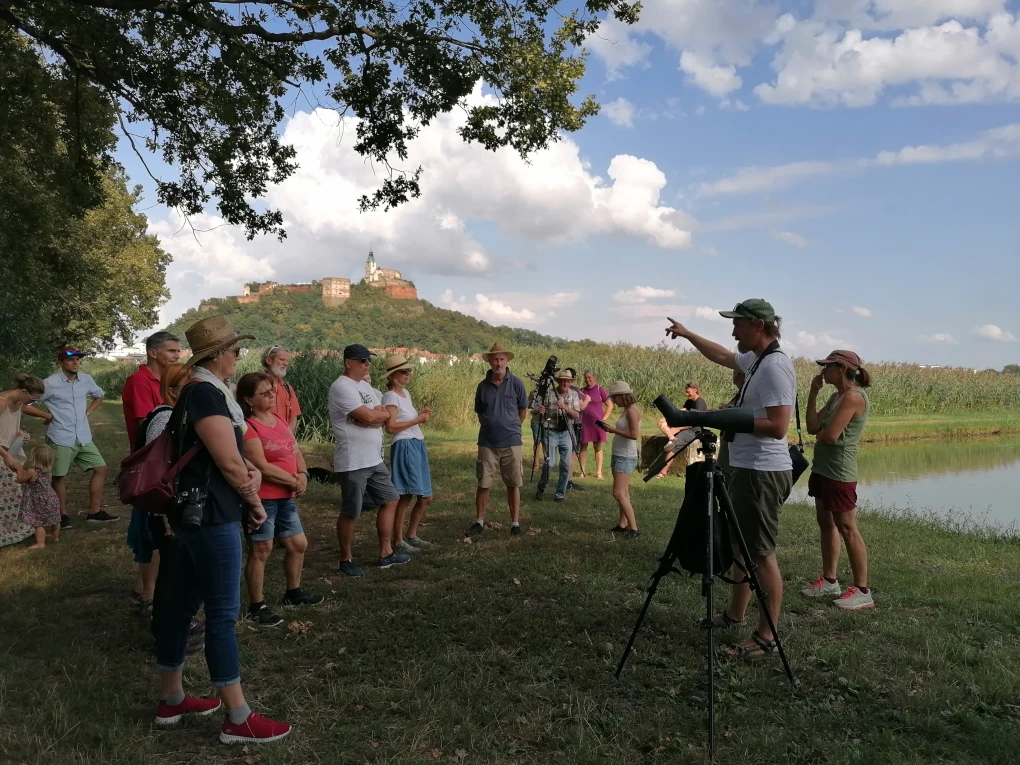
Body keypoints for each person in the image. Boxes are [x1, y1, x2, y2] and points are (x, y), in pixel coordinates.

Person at [153, 315, 291, 744]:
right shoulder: (207, 396)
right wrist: (253, 502)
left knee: (180, 604)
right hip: (211, 514)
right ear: (216, 356)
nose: (238, 357)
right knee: (222, 613)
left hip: (193, 512)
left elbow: (226, 455)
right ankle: (237, 716)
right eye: (235, 351)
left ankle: (172, 697)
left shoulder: (200, 392)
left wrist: (245, 477)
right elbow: (228, 462)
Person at [666, 299, 795, 659]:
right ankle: (736, 614)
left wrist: (722, 417)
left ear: (757, 324)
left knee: (761, 554)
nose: (733, 330)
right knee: (741, 547)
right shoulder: (757, 360)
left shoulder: (774, 368)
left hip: (762, 472)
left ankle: (767, 636)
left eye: (737, 323)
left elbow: (778, 426)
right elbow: (723, 356)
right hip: (745, 467)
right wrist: (689, 334)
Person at [237, 372, 322, 627]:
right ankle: (257, 605)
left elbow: (294, 450)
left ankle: (293, 592)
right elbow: (260, 465)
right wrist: (293, 480)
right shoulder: (248, 427)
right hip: (264, 499)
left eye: (271, 390)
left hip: (286, 497)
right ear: (249, 400)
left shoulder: (278, 419)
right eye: (264, 393)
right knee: (261, 550)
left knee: (298, 544)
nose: (272, 395)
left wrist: (304, 474)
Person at [328, 344, 409, 576]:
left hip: (374, 459)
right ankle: (346, 559)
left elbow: (382, 414)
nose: (367, 364)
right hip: (353, 461)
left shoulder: (365, 386)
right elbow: (370, 415)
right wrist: (372, 417)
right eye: (362, 361)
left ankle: (385, 552)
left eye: (368, 360)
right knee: (351, 511)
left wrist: (373, 417)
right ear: (348, 362)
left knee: (391, 499)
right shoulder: (341, 386)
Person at [140, 363, 204, 655]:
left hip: (178, 507)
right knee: (172, 574)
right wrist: (166, 514)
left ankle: (181, 623)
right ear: (171, 390)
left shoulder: (182, 415)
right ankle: (166, 634)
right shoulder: (164, 417)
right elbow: (158, 470)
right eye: (186, 388)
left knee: (183, 569)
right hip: (167, 509)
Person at [802, 350, 874, 611]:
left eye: (827, 367)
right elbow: (812, 427)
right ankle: (830, 580)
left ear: (841, 368)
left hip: (840, 472)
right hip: (822, 468)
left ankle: (862, 591)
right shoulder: (836, 396)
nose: (822, 371)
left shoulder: (854, 397)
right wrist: (813, 394)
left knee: (847, 527)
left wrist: (820, 433)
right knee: (826, 523)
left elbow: (829, 436)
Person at [123, 331, 182, 612]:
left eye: (178, 351)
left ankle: (140, 589)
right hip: (151, 465)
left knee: (154, 530)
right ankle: (149, 595)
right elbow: (153, 425)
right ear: (153, 352)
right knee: (152, 531)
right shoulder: (139, 381)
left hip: (163, 464)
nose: (177, 355)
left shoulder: (165, 381)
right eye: (171, 350)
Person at [24, 348, 116, 526]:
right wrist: (47, 416)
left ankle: (94, 512)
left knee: (101, 469)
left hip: (82, 435)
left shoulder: (86, 379)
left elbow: (99, 395)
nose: (75, 363)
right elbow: (26, 404)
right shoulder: (49, 383)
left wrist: (88, 412)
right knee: (58, 476)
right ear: (61, 363)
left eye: (77, 359)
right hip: (60, 435)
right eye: (70, 360)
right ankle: (61, 516)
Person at [465, 343, 529, 537]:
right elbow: (480, 413)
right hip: (487, 442)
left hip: (512, 442)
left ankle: (515, 523)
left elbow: (522, 411)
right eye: (495, 359)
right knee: (484, 483)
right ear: (490, 361)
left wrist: (511, 427)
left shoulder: (517, 383)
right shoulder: (482, 386)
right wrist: (491, 425)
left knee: (513, 483)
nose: (498, 362)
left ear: (506, 361)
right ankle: (479, 521)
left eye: (502, 359)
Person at [380, 354, 434, 553]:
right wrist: (417, 420)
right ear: (394, 376)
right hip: (404, 445)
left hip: (416, 443)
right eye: (404, 371)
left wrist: (420, 416)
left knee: (425, 496)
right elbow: (391, 427)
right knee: (405, 495)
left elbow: (406, 420)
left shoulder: (405, 394)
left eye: (409, 370)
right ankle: (399, 540)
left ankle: (411, 535)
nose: (408, 374)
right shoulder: (391, 396)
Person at [0, 374, 44, 548]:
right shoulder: (2, 401)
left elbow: (7, 425)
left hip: (10, 450)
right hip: (3, 453)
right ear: (24, 391)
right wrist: (5, 455)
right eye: (32, 399)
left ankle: (13, 530)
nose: (31, 403)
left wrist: (19, 434)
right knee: (11, 489)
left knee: (13, 493)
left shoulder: (19, 403)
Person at [600, 381, 642, 539]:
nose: (613, 401)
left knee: (618, 493)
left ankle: (635, 529)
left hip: (626, 455)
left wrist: (612, 430)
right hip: (619, 453)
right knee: (623, 492)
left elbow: (634, 435)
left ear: (622, 396)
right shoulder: (626, 410)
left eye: (614, 397)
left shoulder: (632, 411)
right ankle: (623, 524)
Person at [533, 370, 582, 502]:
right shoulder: (549, 393)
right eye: (563, 380)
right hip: (551, 431)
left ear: (571, 382)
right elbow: (535, 409)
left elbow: (577, 415)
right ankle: (541, 488)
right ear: (558, 381)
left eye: (568, 381)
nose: (565, 383)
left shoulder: (574, 395)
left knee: (566, 465)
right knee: (550, 463)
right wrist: (540, 410)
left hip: (566, 432)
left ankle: (560, 494)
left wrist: (565, 407)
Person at [0, 445, 60, 548]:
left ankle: (40, 543)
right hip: (51, 498)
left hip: (38, 501)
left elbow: (20, 479)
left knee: (38, 522)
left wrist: (19, 468)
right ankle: (55, 536)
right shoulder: (48, 470)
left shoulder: (33, 471)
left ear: (35, 458)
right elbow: (26, 477)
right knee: (55, 519)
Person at [654, 382, 708, 479]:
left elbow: (695, 422)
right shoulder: (689, 401)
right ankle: (672, 438)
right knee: (661, 423)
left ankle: (663, 472)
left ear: (695, 390)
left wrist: (678, 428)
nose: (686, 394)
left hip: (693, 430)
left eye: (688, 392)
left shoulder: (700, 403)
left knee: (674, 446)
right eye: (686, 392)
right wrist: (666, 418)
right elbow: (680, 411)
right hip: (685, 426)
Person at [579, 371, 612, 480]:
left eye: (589, 377)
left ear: (594, 378)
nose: (587, 380)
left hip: (597, 424)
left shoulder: (600, 390)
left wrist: (603, 419)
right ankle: (582, 471)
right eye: (585, 378)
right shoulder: (581, 391)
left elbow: (610, 405)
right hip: (584, 423)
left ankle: (599, 473)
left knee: (597, 447)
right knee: (583, 447)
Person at [262, 345, 301, 432]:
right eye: (282, 360)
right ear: (269, 360)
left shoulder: (288, 388)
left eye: (287, 361)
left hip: (284, 440)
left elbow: (293, 417)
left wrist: (287, 436)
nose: (286, 364)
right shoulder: (255, 385)